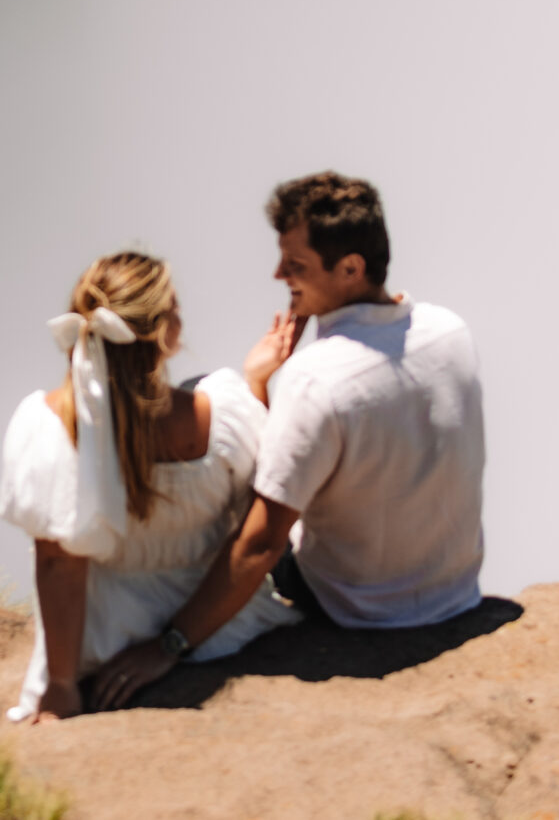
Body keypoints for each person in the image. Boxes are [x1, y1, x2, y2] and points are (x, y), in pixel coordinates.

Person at [86, 171, 485, 709]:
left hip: (356, 607)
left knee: (202, 396)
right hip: (452, 589)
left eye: (295, 266)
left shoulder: (317, 380)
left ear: (351, 268)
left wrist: (170, 645)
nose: (279, 274)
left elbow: (261, 542)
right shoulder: (450, 329)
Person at [0, 249, 299, 721]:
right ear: (164, 335)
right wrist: (256, 383)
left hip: (103, 639)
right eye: (174, 307)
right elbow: (254, 524)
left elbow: (59, 565)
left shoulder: (50, 425)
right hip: (223, 630)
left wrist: (60, 684)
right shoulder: (221, 413)